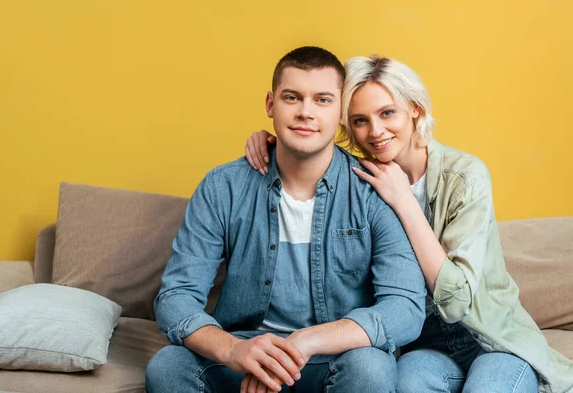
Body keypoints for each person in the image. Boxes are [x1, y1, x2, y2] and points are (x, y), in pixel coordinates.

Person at [245, 54, 573, 392]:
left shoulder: (464, 177)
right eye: (360, 120)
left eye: (388, 113)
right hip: (423, 348)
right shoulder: (358, 181)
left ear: (415, 108)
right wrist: (273, 141)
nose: (375, 131)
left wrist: (404, 201)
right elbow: (307, 148)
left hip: (491, 340)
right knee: (406, 384)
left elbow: (458, 300)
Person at [146, 46, 427, 393]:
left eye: (322, 100)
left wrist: (303, 342)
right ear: (270, 104)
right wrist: (233, 350)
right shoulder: (223, 187)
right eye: (292, 97)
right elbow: (176, 296)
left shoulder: (374, 189)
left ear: (341, 111)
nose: (305, 112)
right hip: (246, 351)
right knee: (168, 366)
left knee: (371, 367)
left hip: (331, 356)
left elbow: (405, 308)